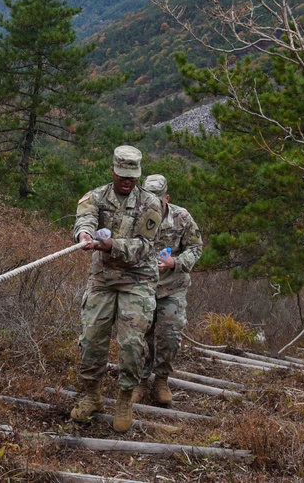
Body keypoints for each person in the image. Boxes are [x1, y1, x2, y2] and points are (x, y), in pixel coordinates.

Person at [70, 145, 163, 432]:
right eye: (122, 175)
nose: (127, 181)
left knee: (132, 344)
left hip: (137, 280)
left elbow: (146, 246)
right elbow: (84, 217)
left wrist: (112, 245)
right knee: (91, 338)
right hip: (102, 279)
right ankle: (92, 396)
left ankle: (124, 398)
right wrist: (84, 234)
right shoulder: (95, 196)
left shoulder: (151, 204)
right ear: (113, 170)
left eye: (132, 177)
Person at [133, 174, 203, 407]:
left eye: (158, 198)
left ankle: (161, 379)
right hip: (141, 286)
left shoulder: (181, 217)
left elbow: (195, 247)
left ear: (167, 197)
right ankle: (141, 381)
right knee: (140, 337)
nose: (153, 203)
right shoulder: (135, 217)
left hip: (172, 288)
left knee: (170, 335)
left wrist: (176, 263)